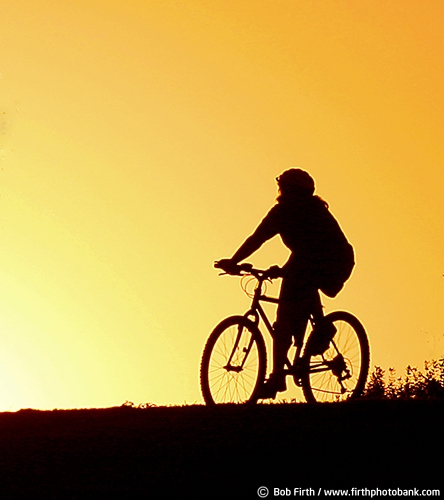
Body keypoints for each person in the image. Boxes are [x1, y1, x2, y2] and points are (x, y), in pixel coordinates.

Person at [216, 169, 354, 398]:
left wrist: (284, 270)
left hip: (335, 260)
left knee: (290, 306)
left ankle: (286, 367)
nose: (282, 192)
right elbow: (257, 238)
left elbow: (313, 250)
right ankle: (283, 370)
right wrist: (234, 260)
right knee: (286, 318)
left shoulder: (314, 212)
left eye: (286, 188)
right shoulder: (280, 213)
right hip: (306, 261)